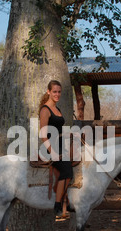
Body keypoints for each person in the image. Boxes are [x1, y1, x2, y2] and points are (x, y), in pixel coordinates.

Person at [39, 80, 74, 217]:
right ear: (48, 92)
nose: (57, 94)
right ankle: (58, 204)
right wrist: (52, 153)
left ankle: (71, 200)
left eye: (59, 92)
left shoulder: (57, 109)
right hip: (49, 148)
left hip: (61, 145)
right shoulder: (45, 110)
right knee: (67, 170)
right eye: (54, 91)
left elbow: (58, 130)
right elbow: (43, 134)